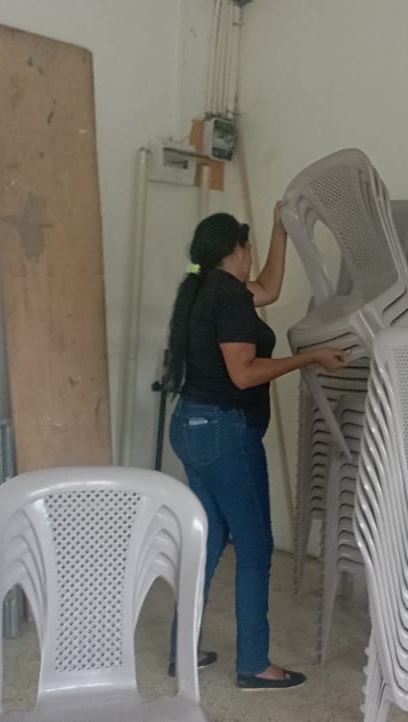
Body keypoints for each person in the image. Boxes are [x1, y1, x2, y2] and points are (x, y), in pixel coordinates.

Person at [165, 204, 347, 691]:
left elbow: (269, 288)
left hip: (192, 426)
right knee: (255, 547)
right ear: (237, 250)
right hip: (223, 433)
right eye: (250, 248)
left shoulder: (207, 288)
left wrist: (279, 229)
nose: (252, 258)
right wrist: (308, 358)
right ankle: (254, 664)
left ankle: (182, 652)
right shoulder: (228, 297)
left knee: (209, 540)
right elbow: (244, 374)